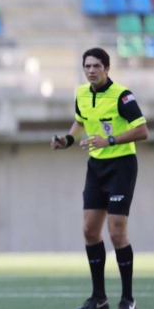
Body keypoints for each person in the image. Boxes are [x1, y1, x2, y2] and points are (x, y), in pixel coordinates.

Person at [51, 48, 147, 309]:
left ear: (107, 68)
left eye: (96, 66)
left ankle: (127, 299)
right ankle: (99, 297)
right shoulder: (81, 94)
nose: (91, 70)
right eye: (87, 66)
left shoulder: (122, 96)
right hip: (96, 168)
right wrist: (66, 140)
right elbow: (80, 122)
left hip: (121, 166)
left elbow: (142, 130)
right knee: (89, 231)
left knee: (117, 233)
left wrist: (109, 140)